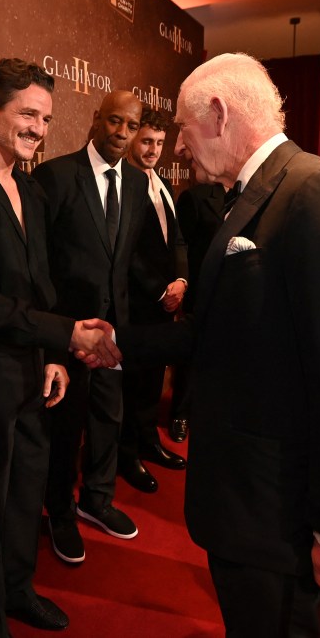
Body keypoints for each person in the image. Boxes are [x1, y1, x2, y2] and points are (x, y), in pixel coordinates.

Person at [103, 53, 320, 635]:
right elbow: (218, 329)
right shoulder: (258, 196)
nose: (177, 146)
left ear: (219, 115)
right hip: (254, 513)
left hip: (288, 524)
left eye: (183, 128)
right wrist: (120, 342)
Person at [0, 59, 120, 637]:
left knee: (24, 491)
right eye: (27, 113)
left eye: (47, 117)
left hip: (35, 367)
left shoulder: (31, 190)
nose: (38, 127)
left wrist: (55, 357)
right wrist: (65, 336)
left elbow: (42, 288)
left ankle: (18, 591)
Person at [34, 90, 150, 564]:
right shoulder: (56, 176)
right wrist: (61, 331)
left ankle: (97, 500)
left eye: (131, 125)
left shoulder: (140, 186)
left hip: (113, 333)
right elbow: (38, 264)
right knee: (64, 430)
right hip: (68, 334)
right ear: (96, 119)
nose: (122, 133)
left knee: (109, 420)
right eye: (114, 121)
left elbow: (125, 262)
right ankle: (60, 511)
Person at [117, 107, 187, 493]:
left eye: (159, 143)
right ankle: (127, 456)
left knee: (152, 384)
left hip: (165, 306)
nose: (153, 150)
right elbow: (127, 252)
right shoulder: (123, 183)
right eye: (146, 141)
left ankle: (148, 444)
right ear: (132, 140)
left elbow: (176, 240)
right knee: (132, 384)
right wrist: (161, 291)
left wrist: (181, 281)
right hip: (138, 306)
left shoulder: (163, 183)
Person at [168, 179, 226, 443]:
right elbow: (182, 247)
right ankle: (180, 414)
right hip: (202, 290)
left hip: (237, 293)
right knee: (190, 357)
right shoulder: (196, 197)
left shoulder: (253, 195)